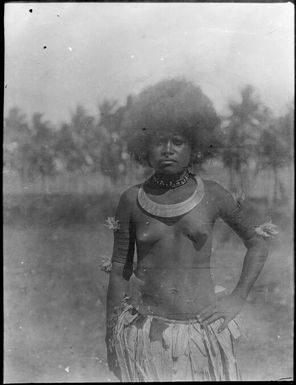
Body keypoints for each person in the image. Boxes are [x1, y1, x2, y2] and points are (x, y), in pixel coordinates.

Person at [104, 80, 269, 382]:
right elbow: (118, 270)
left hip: (202, 336)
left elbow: (257, 244)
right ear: (144, 147)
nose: (167, 150)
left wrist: (237, 298)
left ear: (195, 147)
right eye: (158, 142)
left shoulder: (214, 195)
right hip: (145, 336)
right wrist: (111, 338)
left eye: (178, 141)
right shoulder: (131, 200)